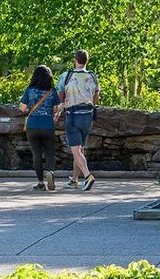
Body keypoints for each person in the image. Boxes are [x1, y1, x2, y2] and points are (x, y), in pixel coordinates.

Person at [57, 49, 100, 191]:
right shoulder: (93, 76)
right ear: (87, 61)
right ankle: (74, 179)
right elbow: (96, 96)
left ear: (75, 60)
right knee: (80, 148)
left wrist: (64, 102)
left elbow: (60, 94)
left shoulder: (67, 75)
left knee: (75, 150)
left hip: (73, 114)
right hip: (87, 115)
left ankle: (88, 176)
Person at [19, 65, 61, 190]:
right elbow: (56, 109)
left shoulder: (29, 90)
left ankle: (40, 182)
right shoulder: (52, 91)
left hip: (32, 125)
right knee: (49, 153)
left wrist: (28, 108)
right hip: (48, 125)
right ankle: (51, 172)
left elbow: (22, 108)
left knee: (36, 154)